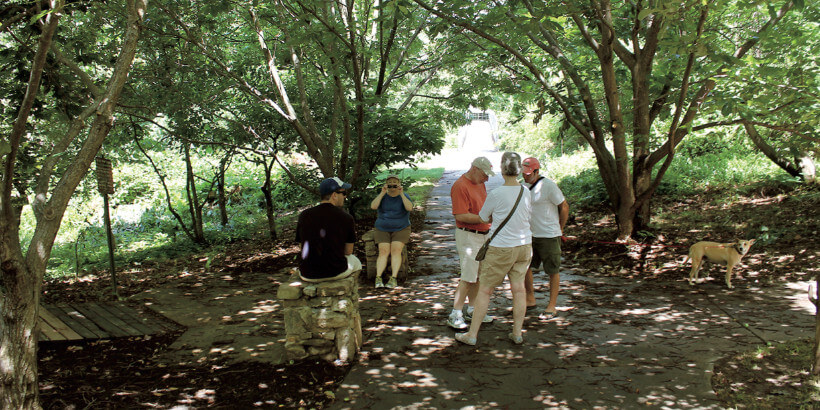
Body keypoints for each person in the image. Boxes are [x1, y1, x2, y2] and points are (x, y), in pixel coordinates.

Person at [455, 152, 532, 346]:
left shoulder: (497, 193)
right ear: (519, 170)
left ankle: (472, 335)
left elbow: (483, 217)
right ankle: (517, 333)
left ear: (502, 169)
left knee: (485, 290)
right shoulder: (526, 192)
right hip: (524, 246)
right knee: (519, 290)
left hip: (501, 247)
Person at [446, 156, 495, 330]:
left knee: (479, 275)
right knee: (468, 277)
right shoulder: (460, 186)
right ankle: (455, 313)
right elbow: (460, 215)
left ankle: (473, 309)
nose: (486, 179)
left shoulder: (479, 182)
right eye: (484, 174)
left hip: (483, 234)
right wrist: (484, 218)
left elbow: (483, 207)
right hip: (468, 236)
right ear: (474, 169)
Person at [521, 157, 569, 319]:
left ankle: (552, 305)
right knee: (525, 266)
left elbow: (564, 206)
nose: (525, 176)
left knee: (552, 270)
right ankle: (530, 298)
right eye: (524, 173)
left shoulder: (548, 186)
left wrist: (560, 229)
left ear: (537, 171)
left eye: (528, 173)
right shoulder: (523, 186)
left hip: (549, 235)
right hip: (530, 235)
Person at [295, 177, 362, 282]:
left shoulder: (304, 215)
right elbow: (348, 251)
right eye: (343, 193)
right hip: (335, 272)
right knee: (356, 262)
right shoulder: (346, 217)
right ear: (334, 195)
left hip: (306, 273)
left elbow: (301, 246)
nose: (345, 196)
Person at [370, 175, 414, 289]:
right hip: (382, 228)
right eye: (390, 182)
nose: (392, 184)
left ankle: (393, 278)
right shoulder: (383, 196)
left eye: (395, 182)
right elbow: (373, 206)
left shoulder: (404, 196)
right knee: (383, 251)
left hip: (401, 228)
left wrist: (401, 194)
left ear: (399, 184)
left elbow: (409, 208)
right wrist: (382, 193)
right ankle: (378, 278)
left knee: (396, 250)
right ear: (386, 184)